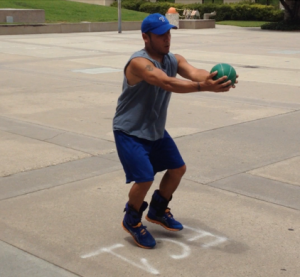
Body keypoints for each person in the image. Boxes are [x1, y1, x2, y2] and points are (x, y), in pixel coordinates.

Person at [113, 13, 238, 249]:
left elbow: (194, 72)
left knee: (178, 169)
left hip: (154, 129)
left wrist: (216, 78)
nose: (167, 39)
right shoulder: (139, 63)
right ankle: (132, 219)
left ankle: (158, 210)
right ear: (146, 37)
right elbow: (166, 82)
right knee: (145, 178)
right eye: (161, 35)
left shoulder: (173, 59)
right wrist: (204, 87)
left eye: (169, 33)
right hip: (129, 131)